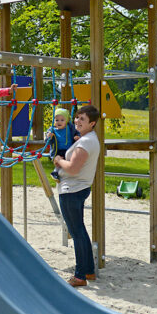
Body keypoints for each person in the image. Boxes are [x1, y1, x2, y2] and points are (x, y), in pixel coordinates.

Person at [53, 105, 101, 287]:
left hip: (72, 190)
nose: (77, 121)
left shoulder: (85, 142)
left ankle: (80, 275)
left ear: (92, 123)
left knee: (76, 232)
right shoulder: (87, 139)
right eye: (77, 117)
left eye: (83, 119)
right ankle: (88, 271)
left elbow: (73, 168)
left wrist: (59, 160)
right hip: (78, 188)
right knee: (80, 230)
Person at [48, 107, 79, 181]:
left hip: (70, 149)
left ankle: (71, 173)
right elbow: (48, 142)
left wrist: (77, 136)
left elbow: (77, 132)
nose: (59, 122)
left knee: (71, 160)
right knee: (58, 161)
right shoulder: (52, 130)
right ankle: (55, 172)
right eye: (57, 120)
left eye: (62, 120)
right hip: (58, 150)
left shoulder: (70, 127)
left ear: (66, 121)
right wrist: (49, 137)